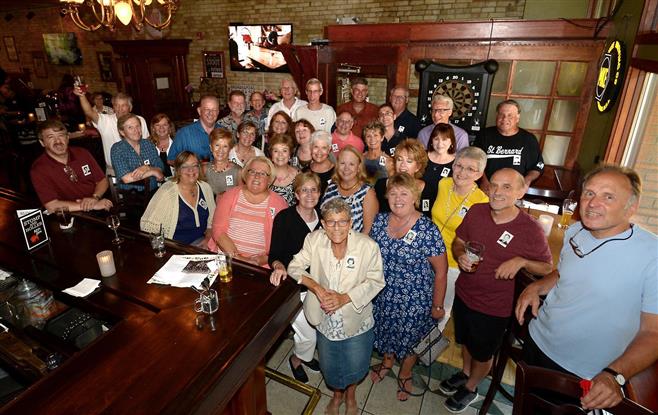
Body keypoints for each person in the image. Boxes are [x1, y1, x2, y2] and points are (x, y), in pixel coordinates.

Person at [515, 165, 657, 411]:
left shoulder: (652, 255)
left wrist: (615, 375)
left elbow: (653, 334)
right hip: (538, 343)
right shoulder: (575, 230)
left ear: (631, 207)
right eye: (589, 193)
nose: (593, 203)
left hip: (587, 372)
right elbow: (564, 273)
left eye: (608, 196)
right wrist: (536, 286)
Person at [438, 168, 553, 413]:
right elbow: (458, 241)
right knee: (466, 341)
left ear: (521, 192)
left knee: (483, 353)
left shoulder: (530, 228)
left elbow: (546, 267)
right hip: (465, 293)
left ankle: (471, 387)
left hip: (494, 306)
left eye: (507, 187)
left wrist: (522, 261)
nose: (497, 191)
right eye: (494, 185)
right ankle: (465, 373)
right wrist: (460, 256)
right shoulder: (477, 211)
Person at [284, 198, 385, 415]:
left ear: (350, 224)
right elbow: (294, 267)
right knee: (330, 367)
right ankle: (337, 396)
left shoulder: (368, 246)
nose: (336, 228)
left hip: (357, 319)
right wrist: (318, 289)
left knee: (356, 365)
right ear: (322, 223)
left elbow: (376, 281)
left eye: (342, 222)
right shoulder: (314, 240)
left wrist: (344, 298)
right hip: (324, 319)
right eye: (330, 222)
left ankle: (350, 396)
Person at [369, 173, 448, 401]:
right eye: (393, 193)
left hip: (415, 300)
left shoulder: (427, 230)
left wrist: (438, 305)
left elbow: (441, 272)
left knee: (412, 338)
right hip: (384, 295)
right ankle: (387, 361)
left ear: (415, 196)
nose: (398, 198)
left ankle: (405, 373)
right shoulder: (380, 221)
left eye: (404, 193)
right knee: (385, 331)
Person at [269, 172, 323, 384]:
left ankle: (305, 355)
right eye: (304, 190)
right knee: (308, 333)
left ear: (319, 193)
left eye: (314, 190)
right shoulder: (285, 218)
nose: (309, 194)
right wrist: (279, 266)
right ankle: (297, 359)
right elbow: (275, 255)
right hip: (293, 288)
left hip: (317, 286)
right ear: (296, 194)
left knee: (315, 330)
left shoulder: (323, 219)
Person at [430, 147, 488, 333]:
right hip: (427, 255)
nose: (462, 172)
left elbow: (478, 241)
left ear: (479, 174)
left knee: (442, 308)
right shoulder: (443, 184)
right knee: (422, 301)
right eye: (459, 166)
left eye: (470, 169)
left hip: (452, 263)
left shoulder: (482, 202)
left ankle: (429, 348)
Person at [208, 156, 287, 266]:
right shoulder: (229, 195)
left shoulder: (279, 203)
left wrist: (260, 260)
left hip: (261, 264)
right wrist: (238, 258)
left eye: (263, 173)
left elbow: (282, 241)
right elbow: (218, 230)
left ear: (269, 179)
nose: (257, 176)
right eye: (252, 171)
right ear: (245, 174)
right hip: (227, 259)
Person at [30, 119, 113, 212]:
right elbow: (51, 206)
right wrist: (90, 205)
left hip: (97, 204)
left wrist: (95, 197)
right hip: (68, 215)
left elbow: (102, 180)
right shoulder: (39, 169)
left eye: (61, 135)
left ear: (67, 138)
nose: (57, 141)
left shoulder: (82, 153)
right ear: (42, 143)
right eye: (50, 137)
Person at [140, 151, 215, 246]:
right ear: (178, 170)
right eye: (185, 166)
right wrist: (166, 247)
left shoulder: (205, 188)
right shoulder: (167, 192)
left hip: (201, 242)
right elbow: (147, 226)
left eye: (194, 165)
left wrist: (207, 239)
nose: (191, 170)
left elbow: (212, 221)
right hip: (175, 247)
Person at [475, 99, 545, 192]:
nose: (505, 119)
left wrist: (526, 182)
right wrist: (483, 181)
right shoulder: (484, 135)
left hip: (514, 192)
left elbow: (537, 167)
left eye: (510, 116)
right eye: (501, 114)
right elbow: (474, 161)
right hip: (487, 189)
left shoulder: (528, 139)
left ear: (518, 118)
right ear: (497, 116)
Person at [75, 88, 149, 173]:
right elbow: (89, 112)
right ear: (113, 108)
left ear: (130, 107)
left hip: (139, 168)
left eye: (123, 105)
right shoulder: (106, 121)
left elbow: (147, 143)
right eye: (117, 105)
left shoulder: (140, 120)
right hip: (114, 171)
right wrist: (81, 96)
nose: (120, 109)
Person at [320, 146, 378, 234]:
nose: (346, 168)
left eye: (351, 164)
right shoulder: (330, 188)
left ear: (358, 167)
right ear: (337, 165)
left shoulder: (367, 193)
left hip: (354, 246)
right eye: (342, 163)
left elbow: (368, 231)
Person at [110, 113, 164, 190]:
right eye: (130, 127)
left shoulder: (148, 144)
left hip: (154, 192)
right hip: (133, 196)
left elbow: (160, 168)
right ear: (122, 132)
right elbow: (126, 178)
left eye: (137, 126)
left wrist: (148, 168)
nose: (136, 130)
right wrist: (151, 171)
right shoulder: (117, 149)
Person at [374, 139, 428, 214]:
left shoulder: (427, 189)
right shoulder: (381, 185)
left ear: (418, 167)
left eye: (409, 161)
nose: (402, 165)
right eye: (399, 160)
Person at [168, 95, 220, 163]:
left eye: (214, 110)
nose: (210, 113)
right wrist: (191, 165)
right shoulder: (184, 133)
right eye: (207, 109)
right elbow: (170, 159)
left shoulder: (224, 131)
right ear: (199, 111)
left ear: (218, 112)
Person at [423, 123, 457, 214]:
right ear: (431, 141)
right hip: (419, 206)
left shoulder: (457, 163)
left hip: (443, 210)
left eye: (444, 139)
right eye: (436, 139)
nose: (440, 143)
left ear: (451, 142)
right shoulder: (422, 156)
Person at [202, 128, 240, 195]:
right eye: (217, 145)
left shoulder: (238, 171)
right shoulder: (204, 169)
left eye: (225, 146)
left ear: (230, 149)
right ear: (211, 147)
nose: (220, 150)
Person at [268, 133, 299, 206]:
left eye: (284, 151)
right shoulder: (264, 174)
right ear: (271, 155)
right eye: (276, 151)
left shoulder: (298, 176)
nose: (280, 154)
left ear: (289, 155)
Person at [150, 113, 175, 177]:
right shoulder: (148, 145)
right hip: (156, 184)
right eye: (157, 125)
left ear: (169, 127)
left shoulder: (178, 142)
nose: (161, 128)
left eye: (165, 125)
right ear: (153, 128)